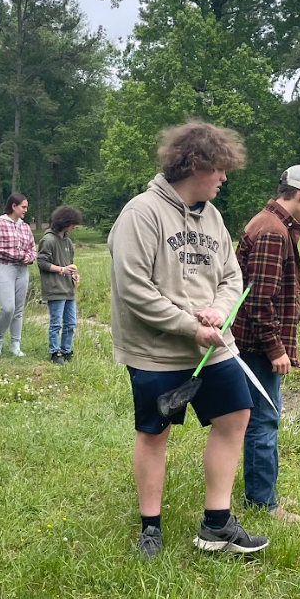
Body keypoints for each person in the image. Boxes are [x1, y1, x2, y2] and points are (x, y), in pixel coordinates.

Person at [108, 120, 268, 558]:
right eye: (219, 169)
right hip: (157, 350)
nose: (224, 177)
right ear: (196, 164)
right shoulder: (140, 214)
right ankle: (150, 528)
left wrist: (219, 308)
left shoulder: (212, 216)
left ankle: (216, 524)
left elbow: (232, 275)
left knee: (236, 414)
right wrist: (189, 326)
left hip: (212, 346)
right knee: (155, 431)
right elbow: (133, 289)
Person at [233, 165, 300, 524]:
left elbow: (258, 287)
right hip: (257, 347)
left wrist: (293, 304)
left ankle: (261, 492)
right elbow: (258, 300)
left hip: (251, 341)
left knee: (257, 418)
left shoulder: (266, 223)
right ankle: (263, 503)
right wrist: (276, 349)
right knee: (264, 420)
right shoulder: (274, 232)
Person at [0, 193, 36, 358]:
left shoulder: (25, 227)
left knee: (18, 310)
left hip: (22, 270)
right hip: (3, 267)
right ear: (13, 206)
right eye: (23, 207)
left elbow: (32, 248)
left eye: (26, 207)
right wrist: (17, 256)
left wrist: (28, 258)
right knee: (8, 307)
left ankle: (15, 343)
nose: (25, 211)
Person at [36, 206, 82, 364]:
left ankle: (66, 350)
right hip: (55, 288)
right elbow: (41, 262)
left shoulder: (68, 241)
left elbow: (69, 263)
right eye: (73, 224)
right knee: (56, 323)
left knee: (70, 323)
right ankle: (54, 352)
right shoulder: (48, 240)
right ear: (65, 222)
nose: (74, 227)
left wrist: (73, 274)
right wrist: (62, 269)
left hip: (68, 289)